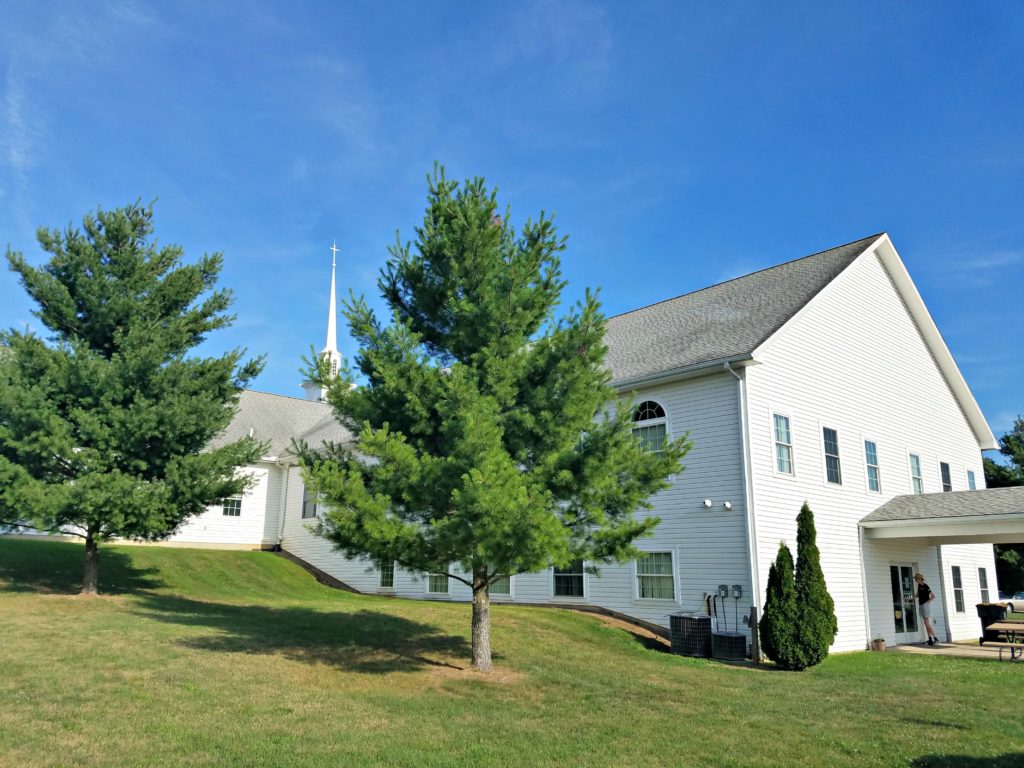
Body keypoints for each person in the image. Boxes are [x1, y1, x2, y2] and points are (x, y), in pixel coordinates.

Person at [915, 573, 938, 645]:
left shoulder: (926, 586)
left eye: (916, 579)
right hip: (921, 605)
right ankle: (930, 639)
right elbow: (918, 594)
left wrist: (927, 602)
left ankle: (936, 638)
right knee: (925, 623)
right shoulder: (919, 585)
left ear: (919, 579)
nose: (915, 581)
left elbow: (933, 596)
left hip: (925, 605)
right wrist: (910, 598)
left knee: (926, 623)